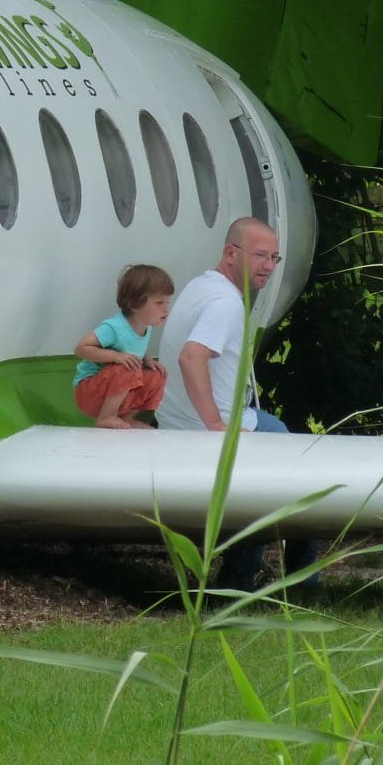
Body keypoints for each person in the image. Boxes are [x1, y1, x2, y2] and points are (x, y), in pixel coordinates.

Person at [160, 217, 319, 589]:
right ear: (231, 254)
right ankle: (297, 580)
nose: (268, 265)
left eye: (274, 258)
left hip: (173, 423)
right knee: (302, 478)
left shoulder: (200, 287)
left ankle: (244, 575)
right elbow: (191, 356)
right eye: (261, 255)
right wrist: (216, 424)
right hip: (213, 425)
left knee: (266, 465)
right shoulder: (225, 303)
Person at [72, 264, 174, 429]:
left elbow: (135, 345)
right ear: (135, 304)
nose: (166, 309)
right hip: (89, 392)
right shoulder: (114, 327)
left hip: (114, 392)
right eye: (159, 303)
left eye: (167, 302)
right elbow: (81, 349)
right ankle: (106, 417)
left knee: (157, 375)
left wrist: (148, 359)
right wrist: (116, 357)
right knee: (129, 366)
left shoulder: (145, 327)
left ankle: (127, 418)